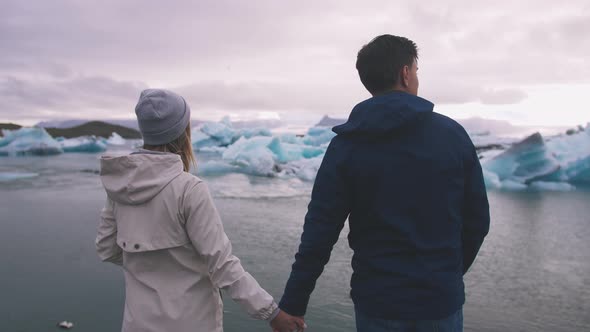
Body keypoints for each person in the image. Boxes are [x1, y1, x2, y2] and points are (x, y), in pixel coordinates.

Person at [278, 35, 490, 331]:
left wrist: (293, 303)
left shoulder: (347, 145)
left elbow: (320, 231)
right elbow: (478, 221)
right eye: (416, 70)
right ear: (405, 73)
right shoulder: (452, 135)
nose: (416, 77)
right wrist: (447, 275)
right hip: (440, 300)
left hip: (378, 301)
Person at [95, 89, 305, 332]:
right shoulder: (189, 189)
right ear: (183, 132)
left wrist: (149, 267)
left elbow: (106, 248)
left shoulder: (120, 188)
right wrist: (272, 313)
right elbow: (223, 266)